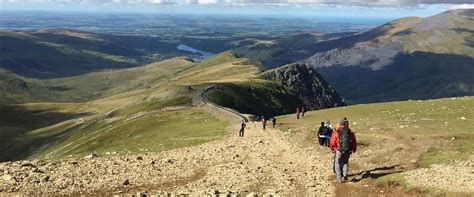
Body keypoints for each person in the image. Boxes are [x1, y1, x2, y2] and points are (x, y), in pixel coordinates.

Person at [330, 118, 357, 183]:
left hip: (339, 150)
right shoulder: (350, 132)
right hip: (348, 150)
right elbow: (354, 141)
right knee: (345, 162)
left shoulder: (336, 131)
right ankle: (345, 175)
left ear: (340, 124)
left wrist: (333, 149)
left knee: (337, 163)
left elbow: (332, 142)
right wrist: (354, 149)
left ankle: (339, 178)